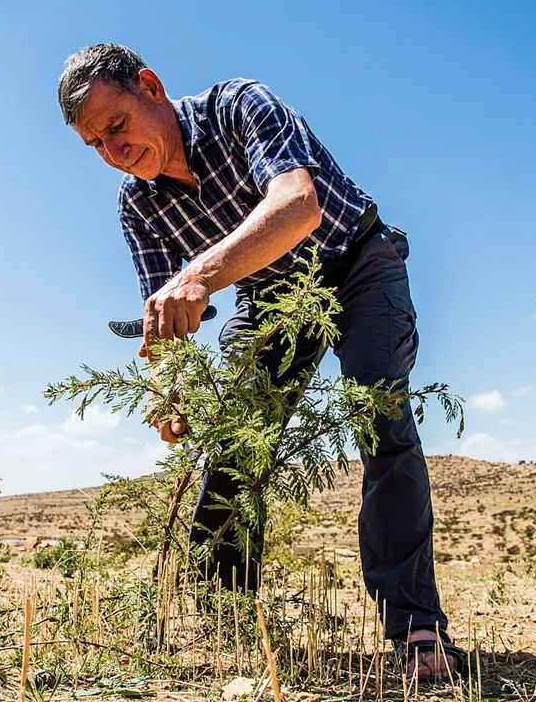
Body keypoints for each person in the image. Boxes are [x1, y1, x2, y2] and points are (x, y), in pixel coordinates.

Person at [57, 43, 466, 681]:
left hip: (356, 260)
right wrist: (166, 390)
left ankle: (416, 629)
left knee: (379, 418)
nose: (114, 151)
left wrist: (200, 274)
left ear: (151, 87)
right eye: (95, 146)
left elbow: (298, 207)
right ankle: (226, 620)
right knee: (235, 441)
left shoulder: (238, 105)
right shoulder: (137, 205)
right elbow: (163, 313)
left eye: (117, 126)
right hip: (270, 296)